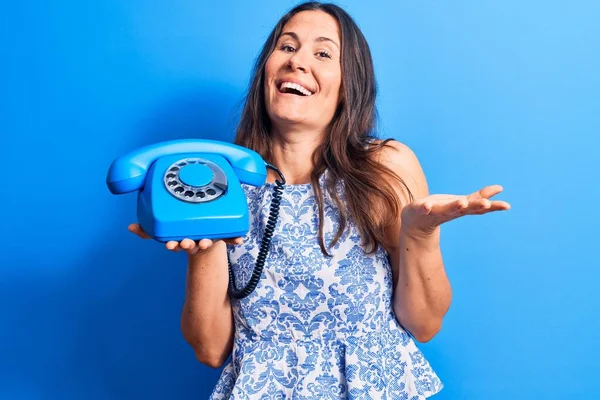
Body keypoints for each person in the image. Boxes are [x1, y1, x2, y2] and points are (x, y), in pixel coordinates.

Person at [130, 1, 511, 398]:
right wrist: (204, 247)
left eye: (323, 53)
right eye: (287, 47)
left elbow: (425, 324)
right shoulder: (224, 184)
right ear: (266, 69)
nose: (298, 62)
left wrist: (420, 233)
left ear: (350, 84)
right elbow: (210, 350)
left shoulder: (385, 166)